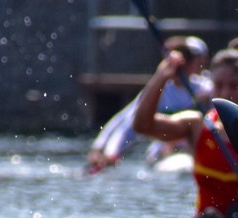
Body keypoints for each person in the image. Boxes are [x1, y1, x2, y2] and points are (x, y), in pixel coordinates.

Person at [133, 46, 238, 218]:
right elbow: (142, 126)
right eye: (219, 85)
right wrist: (162, 76)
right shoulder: (196, 125)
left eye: (234, 86)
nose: (225, 94)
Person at [86, 36, 212, 174]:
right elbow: (126, 123)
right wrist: (110, 151)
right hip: (164, 153)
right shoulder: (159, 91)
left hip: (196, 151)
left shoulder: (206, 88)